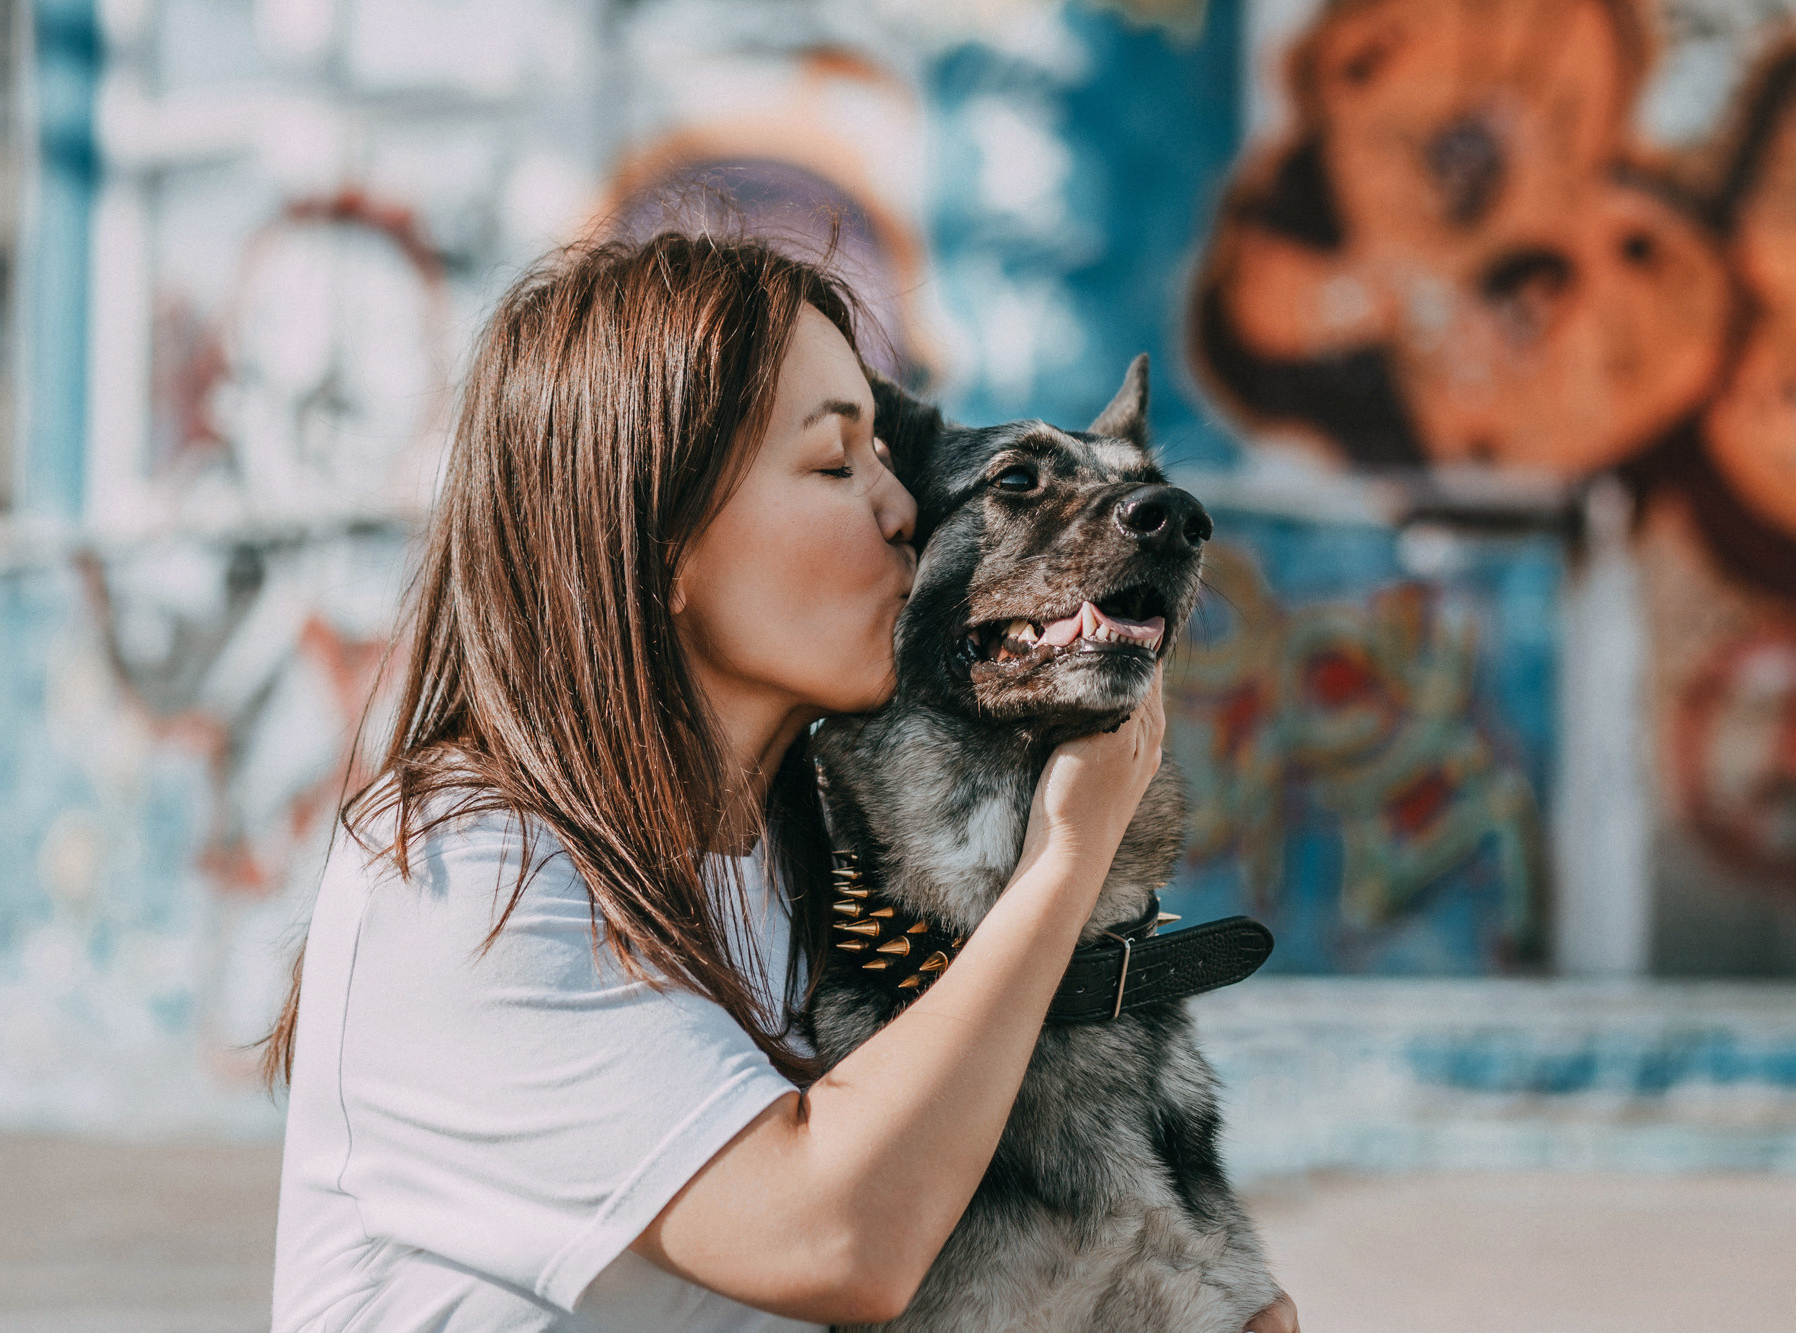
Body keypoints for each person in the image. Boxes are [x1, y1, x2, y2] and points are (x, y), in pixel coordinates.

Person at [266, 231, 1300, 1332]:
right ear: (660, 536)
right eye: (834, 464)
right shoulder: (467, 876)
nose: (902, 510)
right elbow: (834, 1236)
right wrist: (1067, 852)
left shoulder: (796, 868)